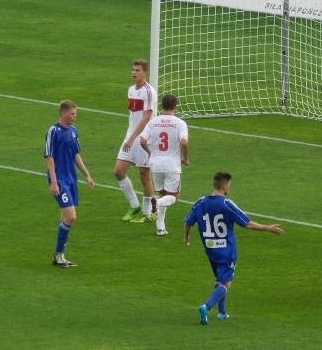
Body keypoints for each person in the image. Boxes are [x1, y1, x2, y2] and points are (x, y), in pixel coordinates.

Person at [184, 172, 284, 325]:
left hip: (210, 250)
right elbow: (247, 224)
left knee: (220, 279)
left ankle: (222, 313)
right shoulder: (226, 204)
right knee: (226, 283)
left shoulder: (200, 202)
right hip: (226, 252)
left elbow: (188, 222)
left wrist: (186, 237)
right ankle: (206, 306)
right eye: (229, 186)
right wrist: (267, 228)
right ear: (224, 187)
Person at [44, 100, 95, 268]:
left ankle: (58, 256)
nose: (75, 116)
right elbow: (49, 157)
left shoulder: (73, 131)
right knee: (71, 217)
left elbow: (75, 155)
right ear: (63, 113)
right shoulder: (54, 131)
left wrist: (87, 175)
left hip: (71, 178)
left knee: (65, 217)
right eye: (72, 114)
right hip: (59, 180)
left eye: (75, 113)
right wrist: (54, 182)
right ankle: (58, 255)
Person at [114, 59, 157, 223]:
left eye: (138, 70)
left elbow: (146, 118)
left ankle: (147, 213)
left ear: (145, 72)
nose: (134, 72)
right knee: (118, 171)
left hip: (144, 138)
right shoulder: (131, 90)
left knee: (144, 174)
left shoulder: (149, 91)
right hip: (130, 137)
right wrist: (129, 137)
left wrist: (133, 138)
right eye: (133, 69)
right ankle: (135, 206)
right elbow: (133, 116)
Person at [140, 94, 189, 236]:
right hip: (171, 165)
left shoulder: (153, 122)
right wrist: (185, 158)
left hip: (155, 164)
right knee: (173, 196)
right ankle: (158, 203)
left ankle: (160, 228)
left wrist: (151, 153)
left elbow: (142, 141)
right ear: (175, 107)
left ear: (161, 106)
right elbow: (184, 143)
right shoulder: (179, 123)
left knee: (162, 194)